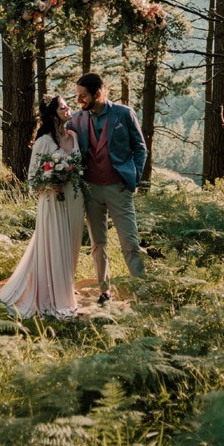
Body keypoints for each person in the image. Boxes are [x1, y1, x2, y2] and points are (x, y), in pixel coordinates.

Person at [0, 95, 85, 318]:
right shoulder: (43, 142)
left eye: (67, 105)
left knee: (72, 245)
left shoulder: (74, 136)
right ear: (52, 113)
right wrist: (51, 183)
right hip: (52, 201)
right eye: (63, 106)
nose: (68, 108)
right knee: (55, 245)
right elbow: (32, 180)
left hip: (75, 199)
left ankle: (65, 289)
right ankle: (51, 296)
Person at [68, 73, 147, 305]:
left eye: (83, 96)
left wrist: (132, 179)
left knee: (129, 242)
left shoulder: (123, 113)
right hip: (91, 190)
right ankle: (104, 291)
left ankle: (141, 291)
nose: (79, 100)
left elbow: (140, 148)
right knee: (97, 243)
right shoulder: (77, 119)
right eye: (77, 96)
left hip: (118, 188)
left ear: (98, 93)